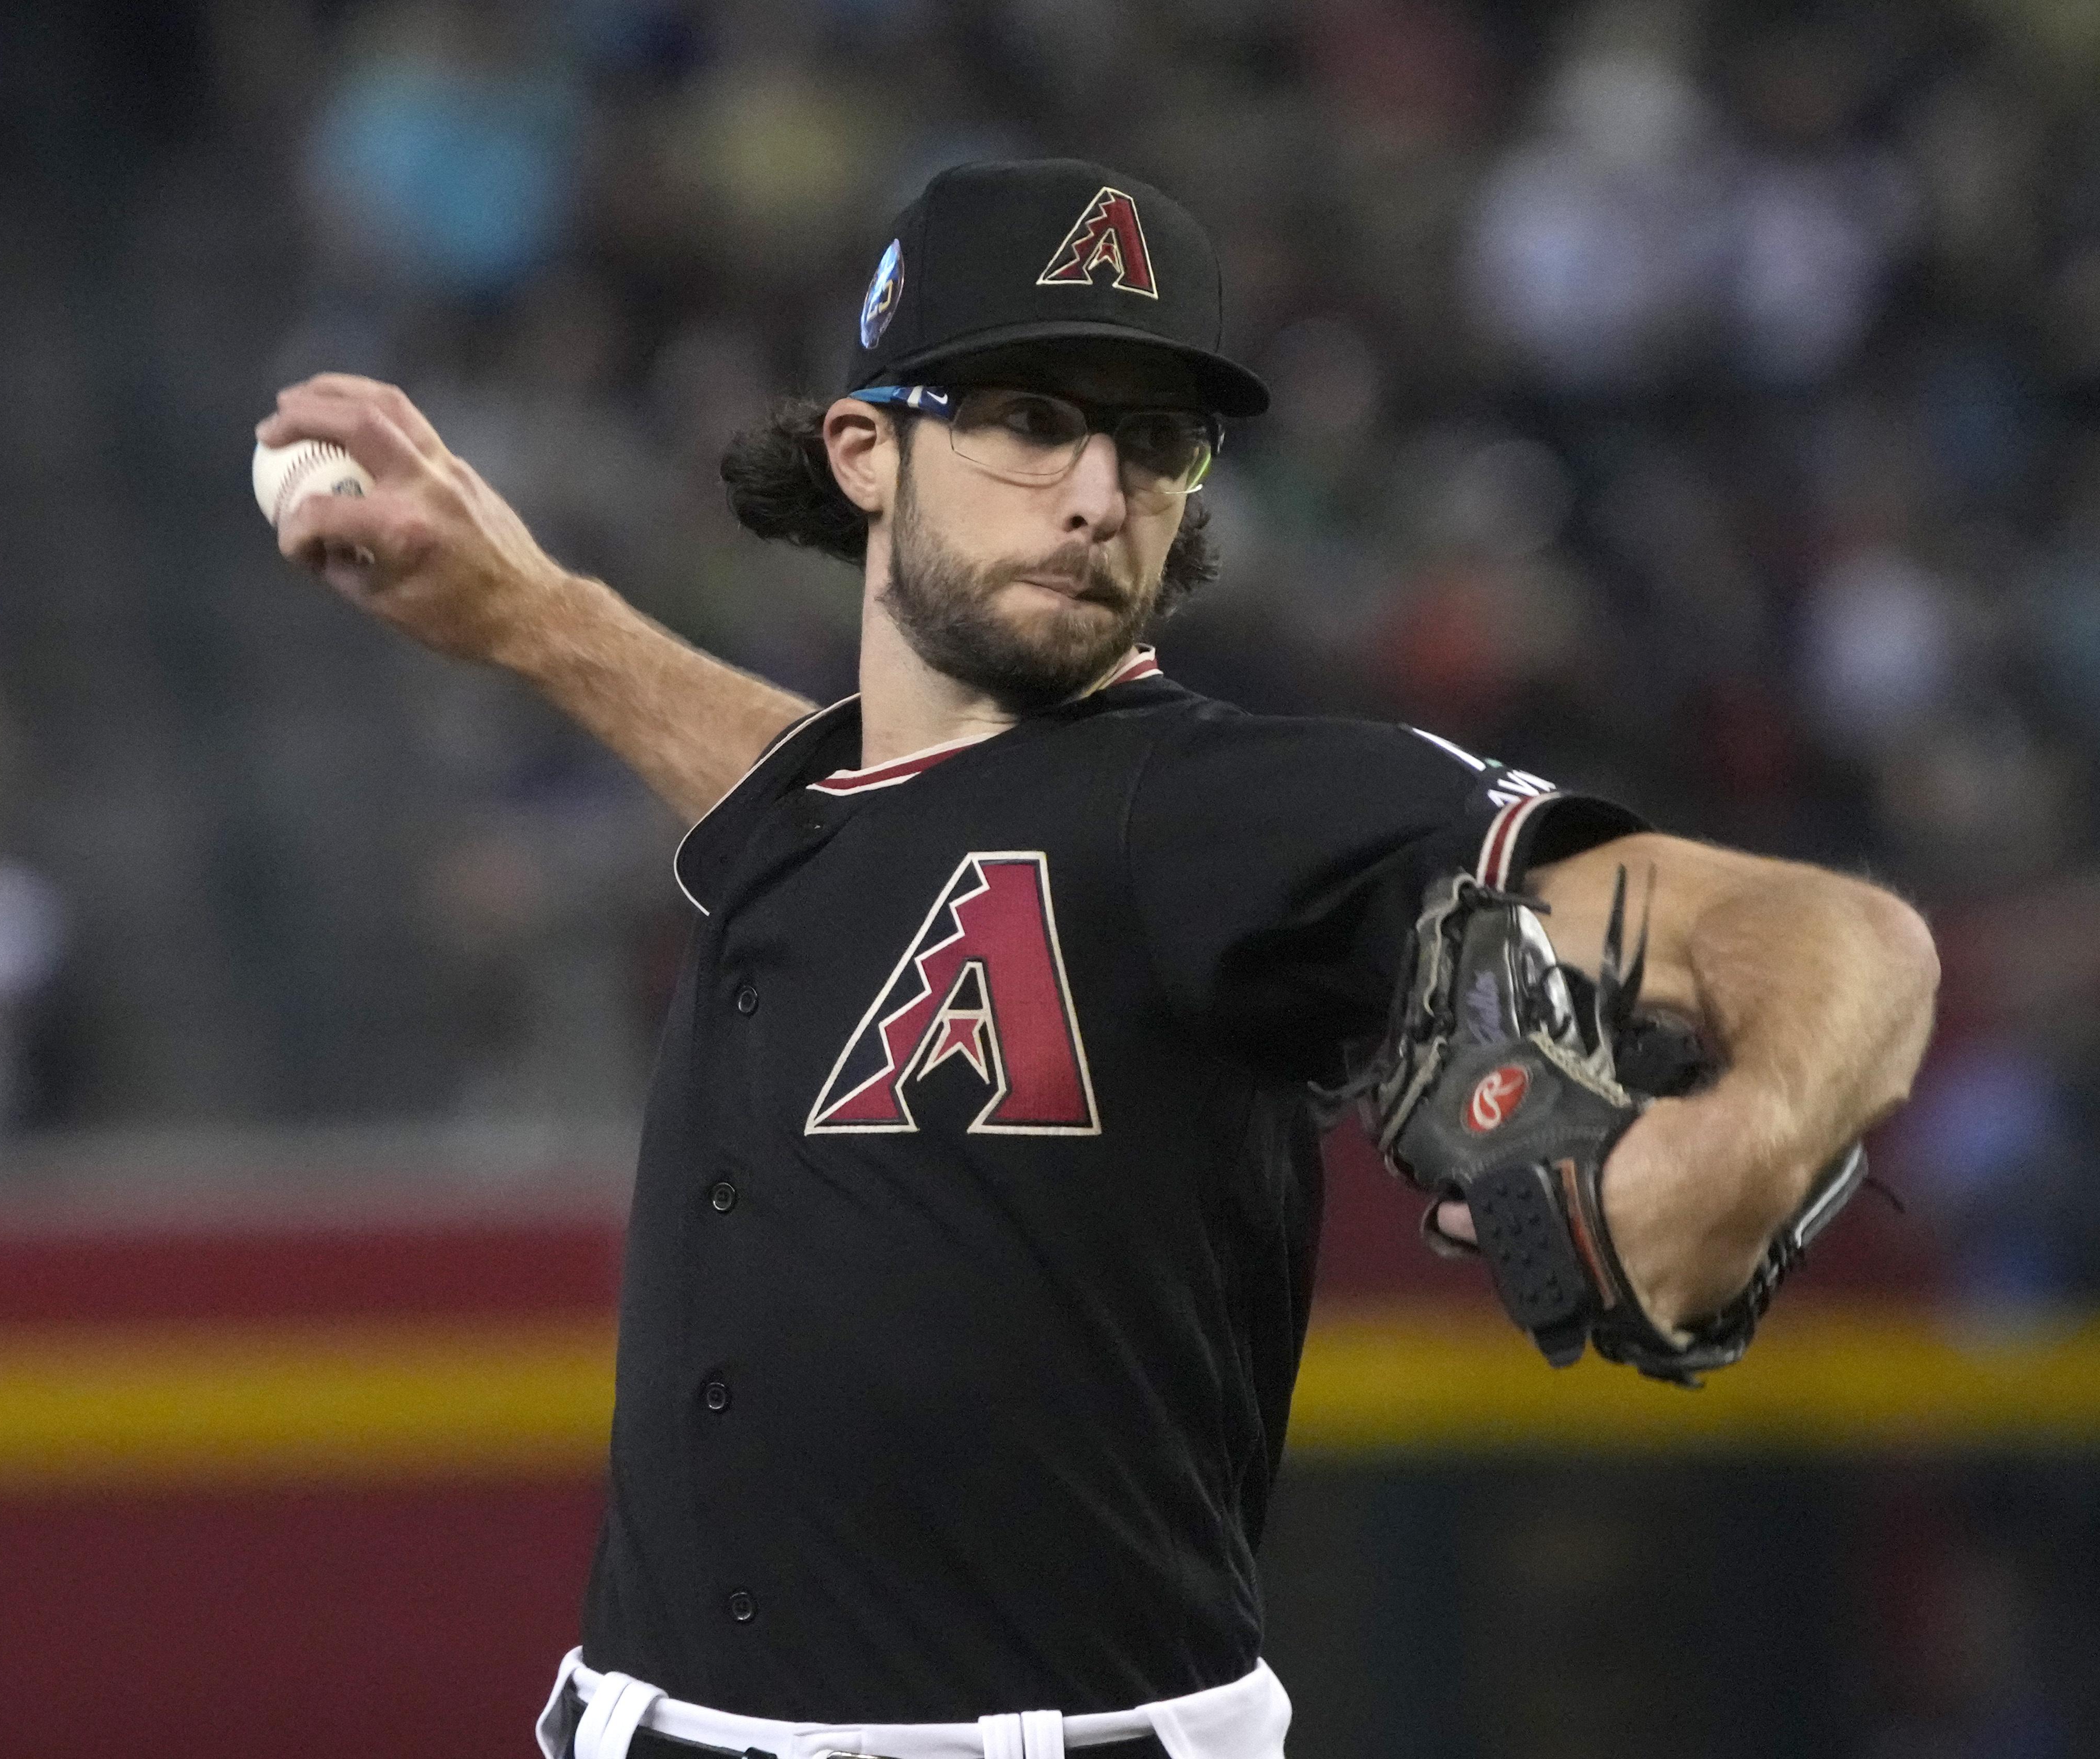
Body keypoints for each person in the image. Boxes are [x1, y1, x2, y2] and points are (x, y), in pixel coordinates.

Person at [258, 160, 1937, 1759]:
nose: (1094, 491)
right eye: (1028, 419)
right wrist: (531, 614)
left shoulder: (1221, 815)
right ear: (864, 451)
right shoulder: (839, 817)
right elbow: (847, 799)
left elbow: (1840, 937)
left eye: (1156, 442)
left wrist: (1747, 1135)